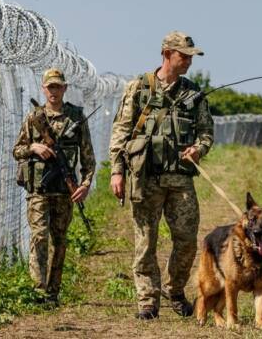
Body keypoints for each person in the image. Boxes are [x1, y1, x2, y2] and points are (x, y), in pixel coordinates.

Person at [109, 31, 214, 319]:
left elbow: (206, 132)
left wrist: (199, 149)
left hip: (180, 179)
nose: (189, 62)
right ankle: (147, 300)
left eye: (192, 57)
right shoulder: (139, 88)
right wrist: (117, 171)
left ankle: (175, 289)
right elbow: (120, 131)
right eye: (184, 56)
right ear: (167, 54)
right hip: (146, 178)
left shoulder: (194, 94)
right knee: (145, 241)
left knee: (187, 240)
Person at [13, 68, 96, 305]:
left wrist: (86, 184)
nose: (54, 91)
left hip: (64, 191)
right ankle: (38, 290)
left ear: (65, 88)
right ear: (43, 88)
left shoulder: (75, 117)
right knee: (39, 237)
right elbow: (16, 151)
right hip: (38, 190)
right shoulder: (34, 118)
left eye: (58, 86)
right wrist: (34, 148)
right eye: (50, 87)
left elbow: (88, 158)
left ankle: (53, 292)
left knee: (60, 241)